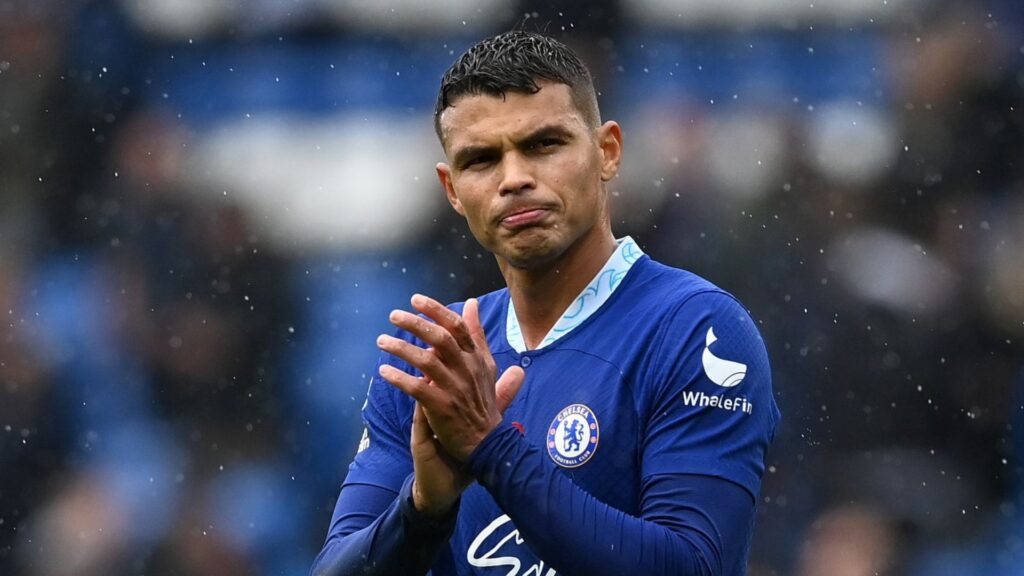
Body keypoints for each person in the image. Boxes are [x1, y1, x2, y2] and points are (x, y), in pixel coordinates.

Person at [310, 30, 780, 576]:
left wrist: (492, 450)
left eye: (543, 145)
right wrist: (422, 510)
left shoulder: (697, 329)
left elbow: (693, 567)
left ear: (607, 152)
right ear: (453, 190)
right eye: (482, 159)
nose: (515, 179)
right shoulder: (432, 360)